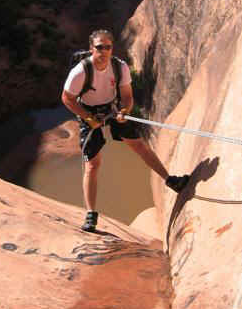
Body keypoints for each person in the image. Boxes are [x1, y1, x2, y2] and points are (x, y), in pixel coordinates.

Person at [61, 29, 189, 232]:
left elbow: (127, 96)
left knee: (139, 146)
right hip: (88, 112)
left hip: (112, 109)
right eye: (99, 47)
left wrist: (124, 111)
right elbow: (67, 98)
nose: (103, 51)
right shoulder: (80, 71)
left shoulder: (120, 68)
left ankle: (170, 180)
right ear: (91, 49)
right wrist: (88, 118)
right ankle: (91, 215)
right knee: (93, 165)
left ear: (112, 48)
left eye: (107, 47)